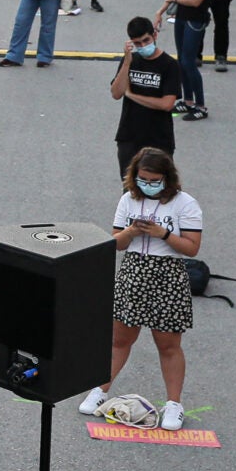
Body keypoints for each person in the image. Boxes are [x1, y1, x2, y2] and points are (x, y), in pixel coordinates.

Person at [75, 148, 203, 430]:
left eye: (155, 179)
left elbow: (192, 248)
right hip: (134, 272)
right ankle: (100, 390)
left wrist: (163, 234)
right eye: (143, 178)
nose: (148, 183)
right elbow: (115, 243)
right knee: (119, 339)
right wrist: (131, 232)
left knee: (168, 344)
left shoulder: (186, 204)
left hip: (168, 275)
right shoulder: (128, 200)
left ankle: (173, 405)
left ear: (167, 178)